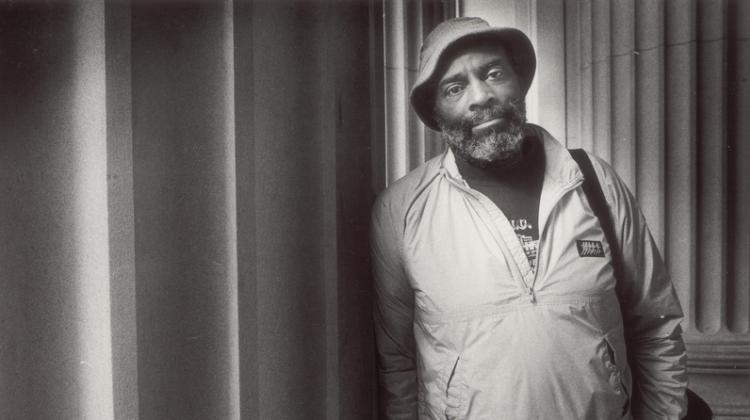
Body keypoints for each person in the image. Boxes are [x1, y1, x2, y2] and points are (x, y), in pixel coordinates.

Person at [371, 17, 687, 419]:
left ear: (519, 81)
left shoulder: (594, 182)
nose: (481, 96)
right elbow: (397, 362)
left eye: (494, 73)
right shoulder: (401, 210)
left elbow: (656, 328)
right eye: (455, 88)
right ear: (435, 112)